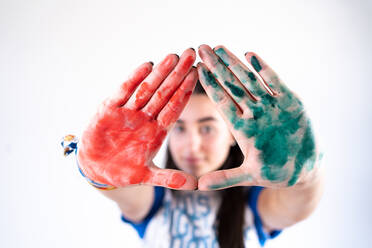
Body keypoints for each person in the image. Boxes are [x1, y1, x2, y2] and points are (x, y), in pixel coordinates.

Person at [65, 45, 324, 247]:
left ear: (233, 134)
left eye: (207, 127)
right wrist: (96, 170)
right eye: (179, 127)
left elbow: (298, 205)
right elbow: (123, 193)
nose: (192, 144)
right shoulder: (154, 199)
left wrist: (307, 177)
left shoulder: (255, 204)